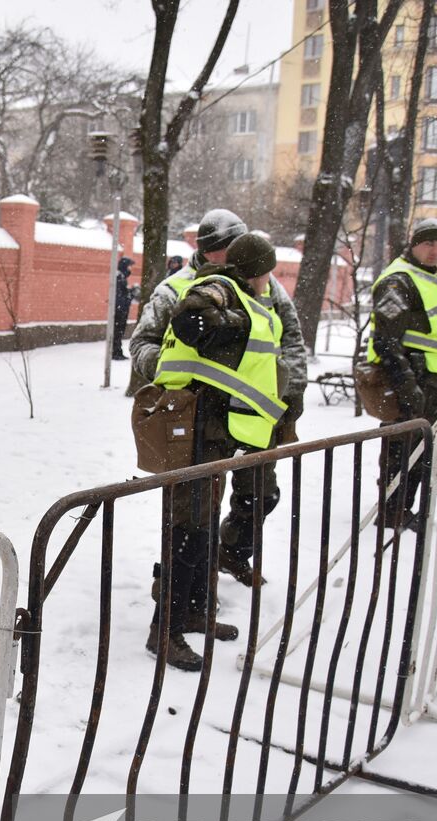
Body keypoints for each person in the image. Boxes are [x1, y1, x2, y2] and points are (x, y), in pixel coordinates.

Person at [128, 208, 308, 589]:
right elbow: (141, 344)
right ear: (205, 252)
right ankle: (187, 597)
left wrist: (291, 392)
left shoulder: (267, 285)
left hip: (257, 414)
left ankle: (233, 554)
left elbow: (289, 338)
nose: (232, 256)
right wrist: (179, 369)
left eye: (237, 246)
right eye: (222, 249)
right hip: (199, 417)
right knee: (194, 514)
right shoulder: (177, 289)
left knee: (260, 495)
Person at [146, 233, 290, 668]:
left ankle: (194, 611)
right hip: (190, 429)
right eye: (268, 270)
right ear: (257, 270)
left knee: (203, 528)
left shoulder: (241, 296)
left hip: (212, 432)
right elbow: (191, 320)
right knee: (188, 529)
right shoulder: (219, 288)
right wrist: (235, 328)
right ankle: (163, 631)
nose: (270, 279)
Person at [366, 218, 437, 529]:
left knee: (419, 450)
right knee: (400, 450)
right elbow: (386, 341)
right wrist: (408, 387)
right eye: (428, 243)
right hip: (408, 380)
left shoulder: (429, 279)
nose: (435, 250)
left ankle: (404, 509)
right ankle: (392, 513)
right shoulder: (399, 280)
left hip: (430, 380)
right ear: (414, 244)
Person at [112, 256, 135, 360]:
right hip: (119, 310)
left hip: (120, 309)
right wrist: (129, 295)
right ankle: (116, 352)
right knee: (118, 331)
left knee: (119, 331)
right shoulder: (119, 277)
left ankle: (117, 351)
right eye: (130, 266)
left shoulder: (121, 276)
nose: (131, 268)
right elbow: (119, 296)